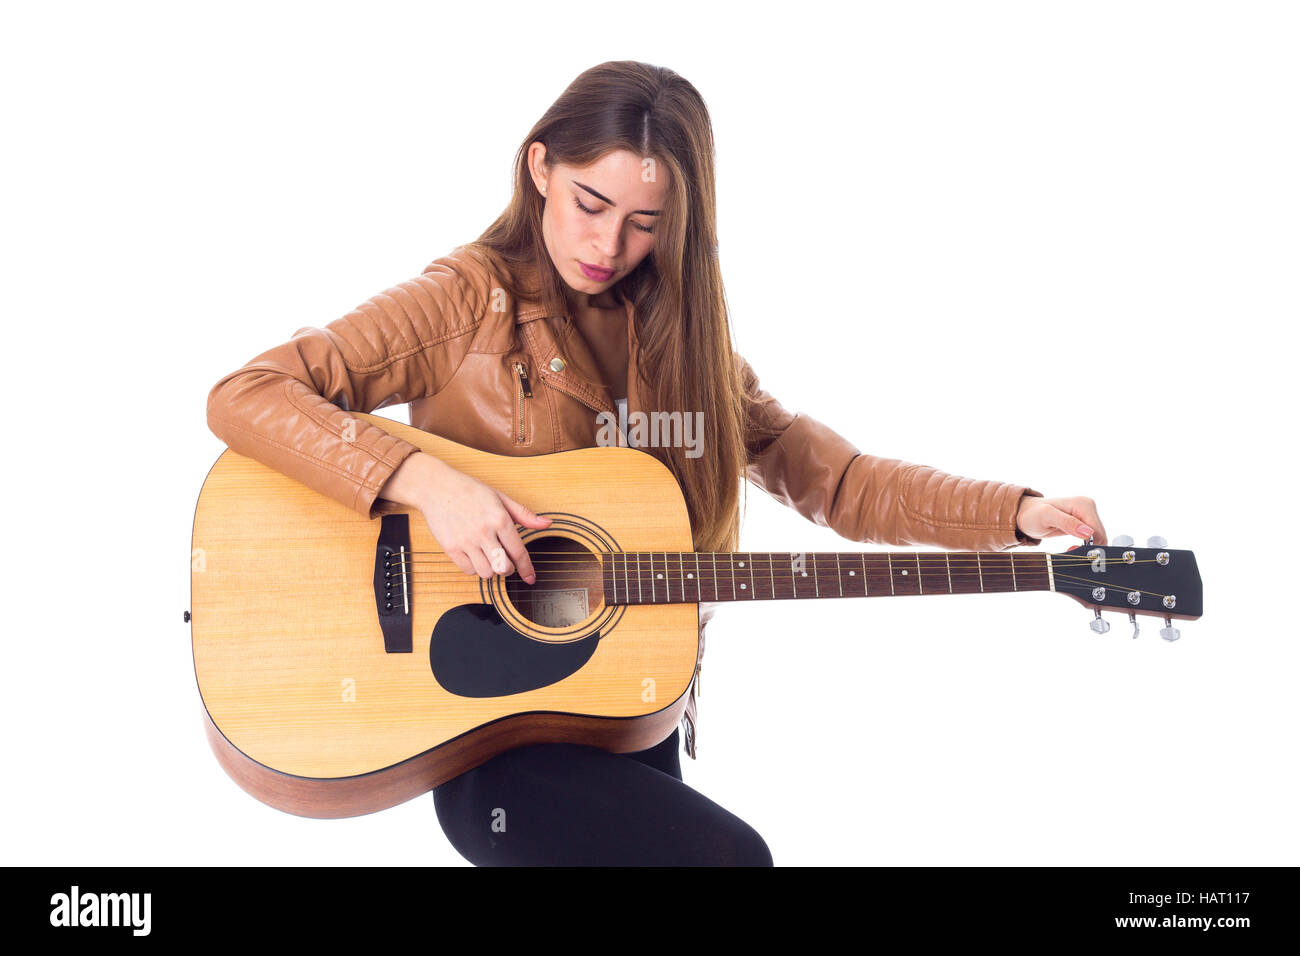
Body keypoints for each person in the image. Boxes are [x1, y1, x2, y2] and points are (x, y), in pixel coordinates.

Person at [205, 60, 1106, 866]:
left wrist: (1017, 515)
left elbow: (837, 479)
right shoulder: (466, 302)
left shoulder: (680, 342)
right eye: (589, 205)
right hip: (487, 735)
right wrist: (428, 483)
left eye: (645, 223)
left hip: (623, 709)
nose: (607, 247)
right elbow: (248, 393)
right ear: (539, 169)